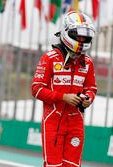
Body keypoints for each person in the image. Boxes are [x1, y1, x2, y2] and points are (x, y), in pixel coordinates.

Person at [31, 11, 97, 167]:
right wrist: (63, 97)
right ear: (67, 32)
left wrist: (88, 99)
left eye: (85, 36)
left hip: (76, 122)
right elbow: (36, 89)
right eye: (78, 35)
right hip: (53, 121)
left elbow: (91, 88)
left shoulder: (87, 62)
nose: (82, 40)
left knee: (73, 165)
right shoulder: (49, 58)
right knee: (53, 165)